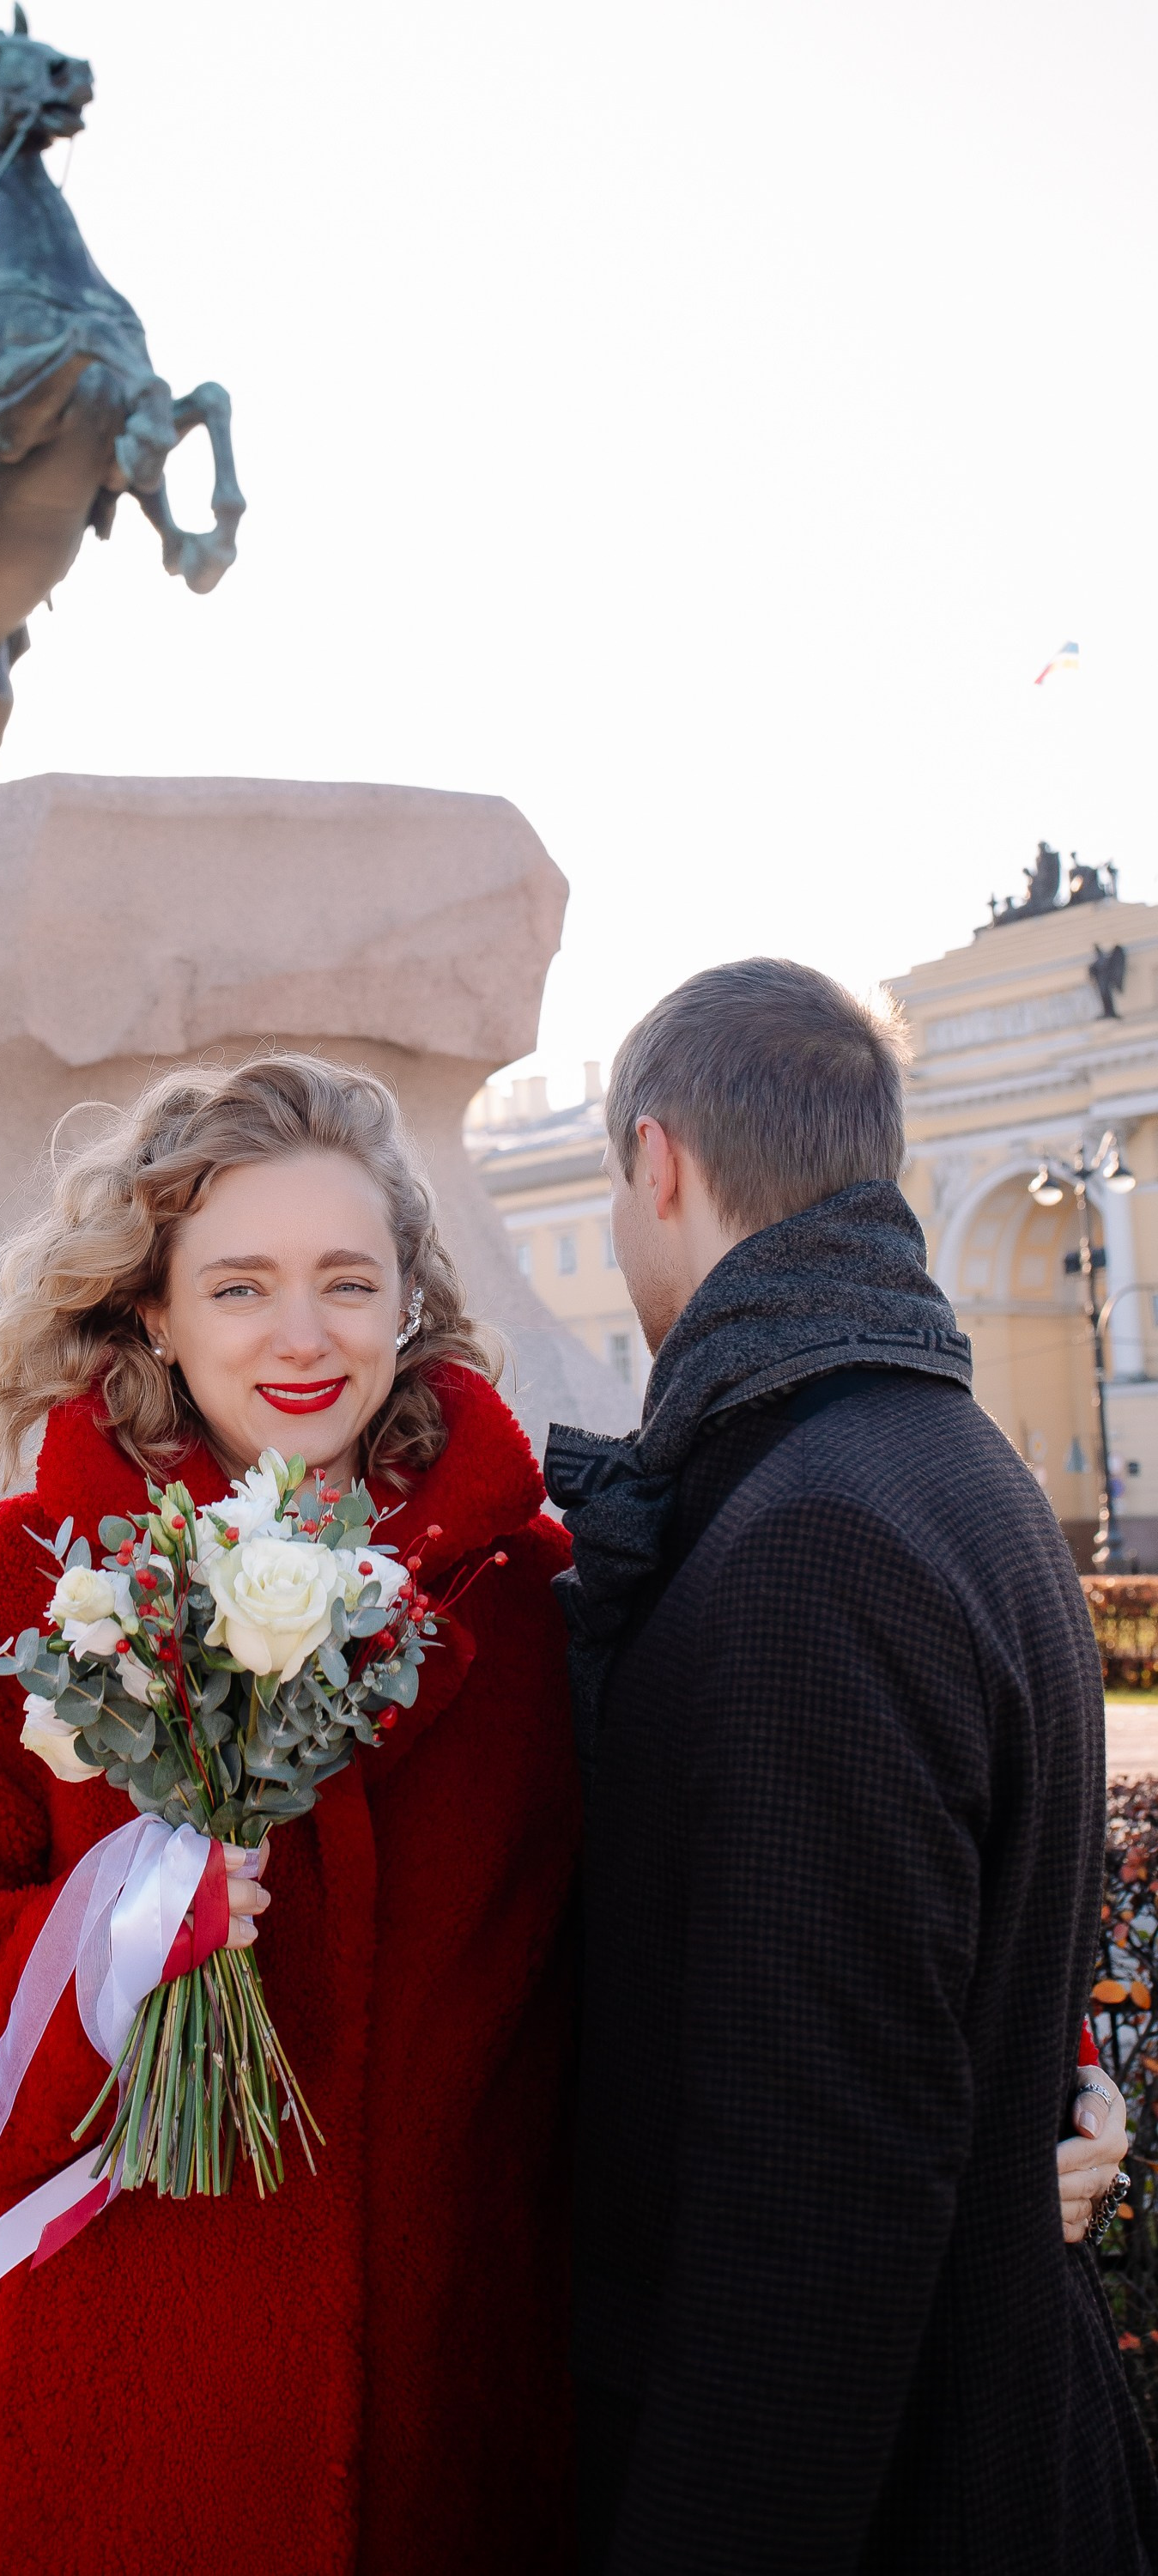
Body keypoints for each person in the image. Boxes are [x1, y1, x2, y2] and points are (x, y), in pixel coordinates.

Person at [0, 1055, 583, 2573]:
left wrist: (1035, 2078)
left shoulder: (534, 1605)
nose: (303, 1337)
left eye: (349, 1281)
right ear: (152, 1309)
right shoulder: (11, 1589)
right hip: (96, 2451)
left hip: (452, 2447)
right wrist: (106, 1944)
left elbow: (730, 1899)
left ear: (409, 1300)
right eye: (239, 1288)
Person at [546, 960, 1157, 2573]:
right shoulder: (950, 1464)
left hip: (898, 2497)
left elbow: (813, 2208)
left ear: (657, 1164)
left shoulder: (816, 1536)